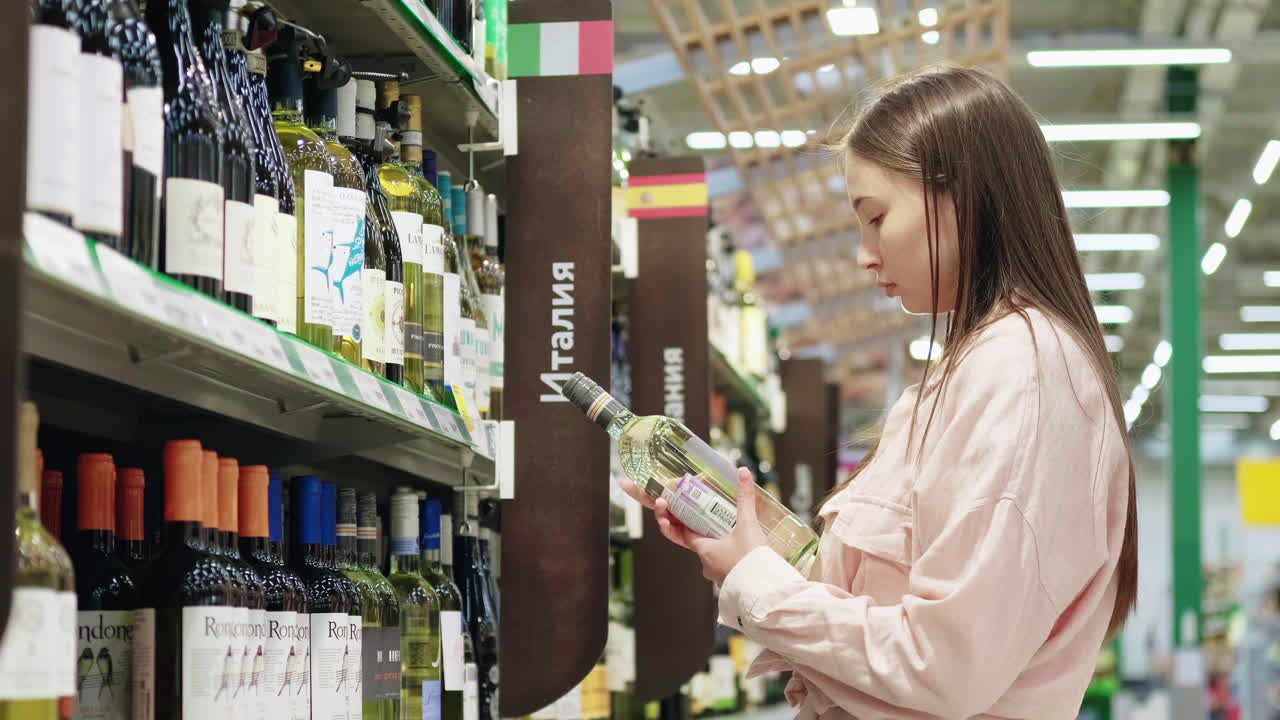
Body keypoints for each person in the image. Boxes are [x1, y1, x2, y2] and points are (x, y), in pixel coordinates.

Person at [620, 65, 1138, 719]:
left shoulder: (1024, 373)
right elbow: (891, 606)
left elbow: (946, 665)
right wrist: (746, 547)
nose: (864, 255)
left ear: (960, 198)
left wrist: (759, 586)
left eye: (876, 217)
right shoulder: (969, 372)